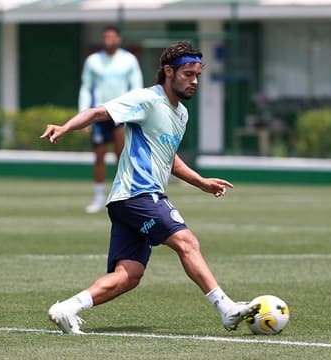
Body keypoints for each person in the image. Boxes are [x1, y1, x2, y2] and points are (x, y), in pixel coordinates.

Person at [41, 41, 258, 335]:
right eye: (187, 74)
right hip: (138, 194)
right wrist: (65, 127)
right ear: (168, 71)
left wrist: (202, 183)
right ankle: (226, 308)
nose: (194, 81)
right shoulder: (146, 100)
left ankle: (66, 308)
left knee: (129, 275)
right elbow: (97, 113)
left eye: (197, 75)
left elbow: (169, 159)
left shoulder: (181, 114)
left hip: (126, 200)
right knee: (188, 243)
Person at [79, 25, 143, 214]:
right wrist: (84, 114)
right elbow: (86, 87)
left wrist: (136, 111)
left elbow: (136, 87)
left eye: (112, 37)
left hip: (121, 114)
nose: (109, 40)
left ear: (119, 39)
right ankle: (98, 198)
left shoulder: (128, 60)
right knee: (99, 155)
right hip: (99, 114)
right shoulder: (93, 61)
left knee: (121, 156)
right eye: (105, 37)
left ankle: (121, 197)